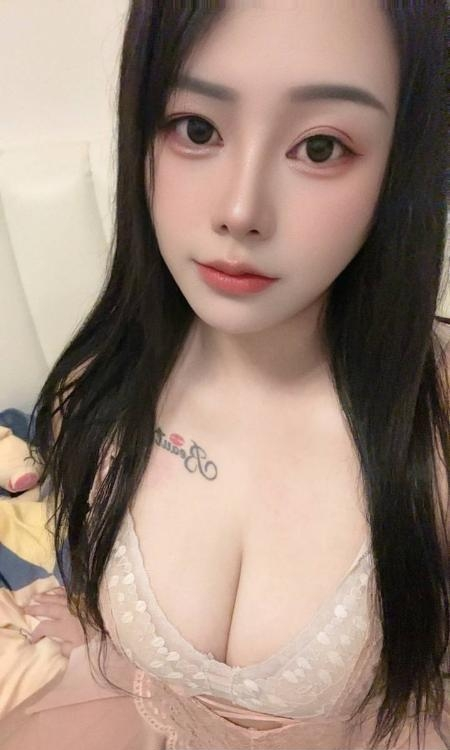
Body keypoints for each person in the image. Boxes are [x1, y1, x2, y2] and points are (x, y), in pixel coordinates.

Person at [0, 1, 448, 748]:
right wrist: (103, 628)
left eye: (320, 147)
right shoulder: (93, 396)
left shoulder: (433, 426)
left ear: (401, 163)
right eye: (196, 129)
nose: (241, 211)